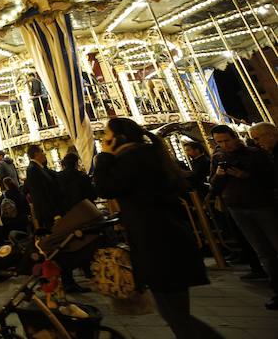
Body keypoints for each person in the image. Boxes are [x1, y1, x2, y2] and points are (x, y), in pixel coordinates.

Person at [95, 117, 221, 338]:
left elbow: (106, 188)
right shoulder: (149, 155)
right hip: (168, 237)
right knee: (176, 311)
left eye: (106, 135)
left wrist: (103, 156)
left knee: (174, 314)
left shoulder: (131, 159)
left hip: (156, 242)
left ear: (118, 138)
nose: (103, 139)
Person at [209, 124, 278, 310]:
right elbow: (214, 186)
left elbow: (271, 178)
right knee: (263, 251)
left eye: (227, 140)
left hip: (261, 205)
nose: (224, 145)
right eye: (219, 142)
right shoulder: (218, 157)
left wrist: (245, 175)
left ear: (234, 137)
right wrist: (218, 175)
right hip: (237, 208)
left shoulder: (254, 154)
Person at [23, 144, 65, 230]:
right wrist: (54, 214)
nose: (44, 154)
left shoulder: (38, 168)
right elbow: (41, 195)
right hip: (48, 214)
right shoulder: (33, 169)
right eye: (42, 151)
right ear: (36, 154)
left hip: (49, 212)